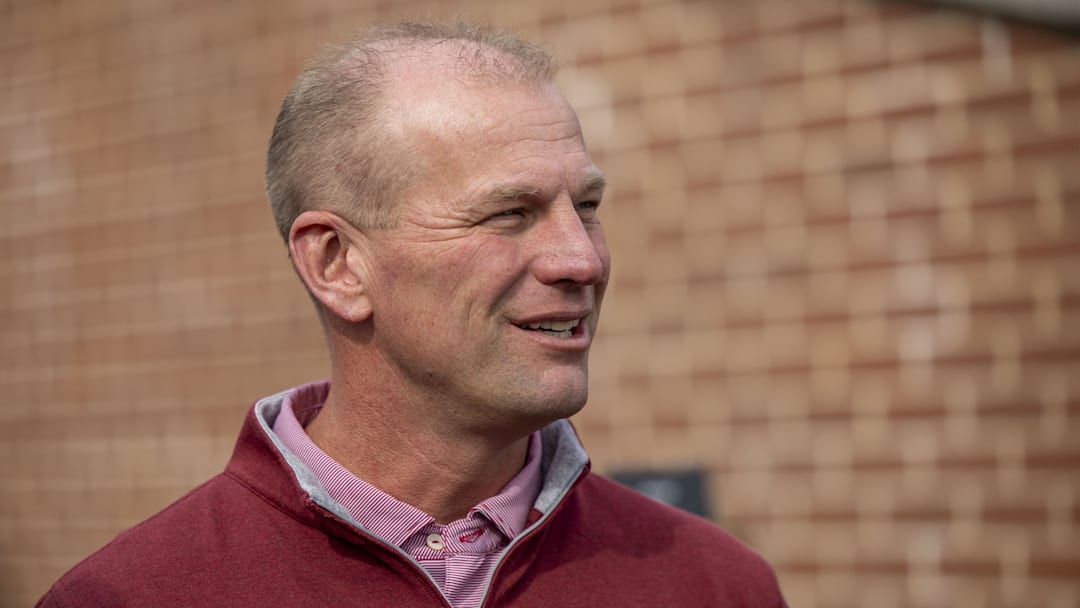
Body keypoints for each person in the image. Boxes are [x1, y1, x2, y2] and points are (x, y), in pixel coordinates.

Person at [37, 21, 787, 607]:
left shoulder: (715, 585)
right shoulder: (133, 597)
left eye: (585, 208)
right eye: (509, 213)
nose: (582, 260)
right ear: (337, 263)